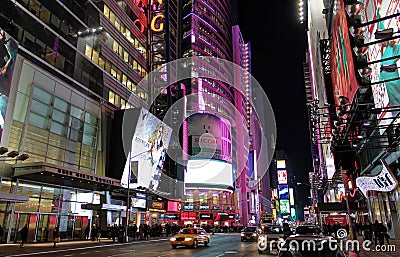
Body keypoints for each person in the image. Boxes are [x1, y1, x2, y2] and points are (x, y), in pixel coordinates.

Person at [148, 123, 167, 190]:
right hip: (150, 167)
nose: (160, 134)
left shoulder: (161, 143)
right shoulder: (152, 141)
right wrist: (159, 150)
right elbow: (154, 158)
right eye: (159, 131)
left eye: (162, 132)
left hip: (157, 168)